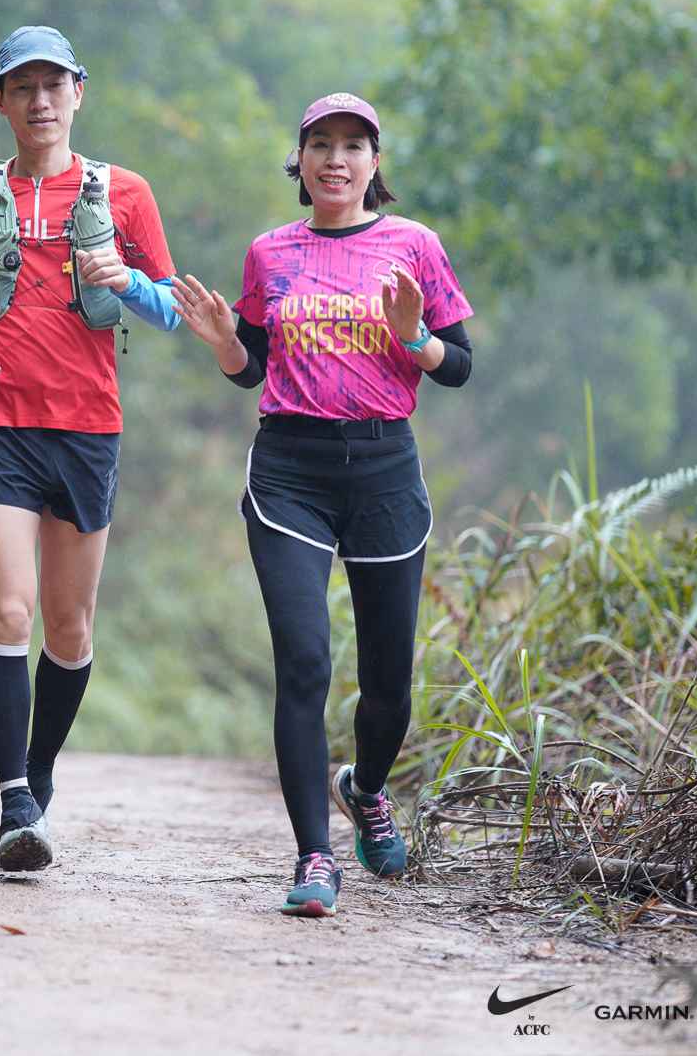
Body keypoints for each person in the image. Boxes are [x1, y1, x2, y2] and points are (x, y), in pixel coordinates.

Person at [172, 91, 473, 918]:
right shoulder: (270, 253)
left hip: (383, 472)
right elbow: (251, 366)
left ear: (376, 165)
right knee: (304, 662)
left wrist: (417, 337)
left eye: (353, 146)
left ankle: (365, 788)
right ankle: (314, 857)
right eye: (320, 145)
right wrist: (223, 340)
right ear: (299, 164)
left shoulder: (415, 247)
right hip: (290, 473)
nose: (336, 159)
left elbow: (459, 365)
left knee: (388, 687)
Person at [0, 26, 181, 872]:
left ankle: (39, 770)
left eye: (54, 86)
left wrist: (127, 281)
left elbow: (173, 310)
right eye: (22, 87)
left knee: (70, 627)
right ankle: (14, 802)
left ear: (80, 91)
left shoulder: (126, 193)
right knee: (8, 610)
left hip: (87, 424)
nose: (39, 102)